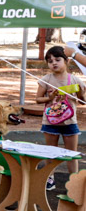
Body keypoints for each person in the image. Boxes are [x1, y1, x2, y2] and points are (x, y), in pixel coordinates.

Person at [36, 45, 85, 189]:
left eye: (57, 60)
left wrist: (81, 93)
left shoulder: (75, 80)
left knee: (71, 154)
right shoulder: (46, 79)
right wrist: (50, 98)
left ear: (66, 61)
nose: (54, 63)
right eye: (50, 61)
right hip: (50, 122)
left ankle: (74, 182)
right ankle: (49, 178)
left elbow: (83, 101)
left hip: (70, 122)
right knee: (51, 152)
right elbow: (38, 99)